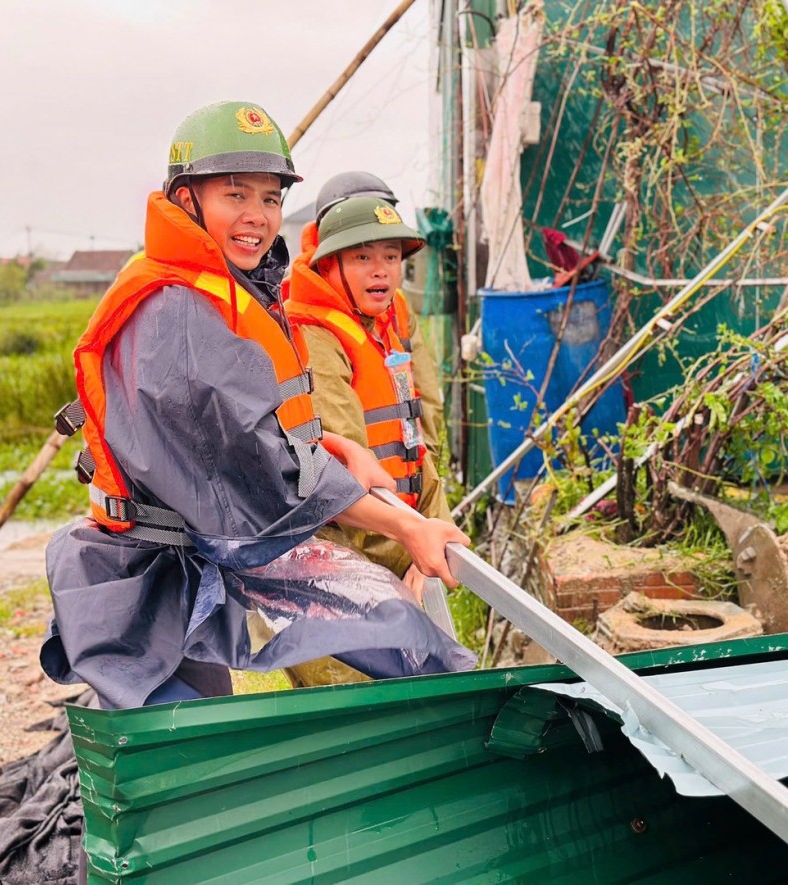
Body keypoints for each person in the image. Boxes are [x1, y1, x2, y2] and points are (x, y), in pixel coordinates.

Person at [40, 101, 474, 713]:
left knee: (195, 737)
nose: (257, 218)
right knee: (170, 754)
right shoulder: (180, 311)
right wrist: (408, 527)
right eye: (235, 196)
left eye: (270, 199)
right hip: (146, 574)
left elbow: (251, 424)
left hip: (187, 558)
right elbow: (263, 467)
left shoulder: (220, 287)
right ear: (186, 199)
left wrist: (336, 446)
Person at [285, 195, 453, 593]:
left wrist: (433, 524)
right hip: (347, 560)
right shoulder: (316, 337)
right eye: (363, 258)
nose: (381, 271)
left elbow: (413, 442)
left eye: (391, 257)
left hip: (396, 539)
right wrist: (415, 541)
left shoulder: (380, 324)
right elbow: (349, 477)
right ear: (329, 264)